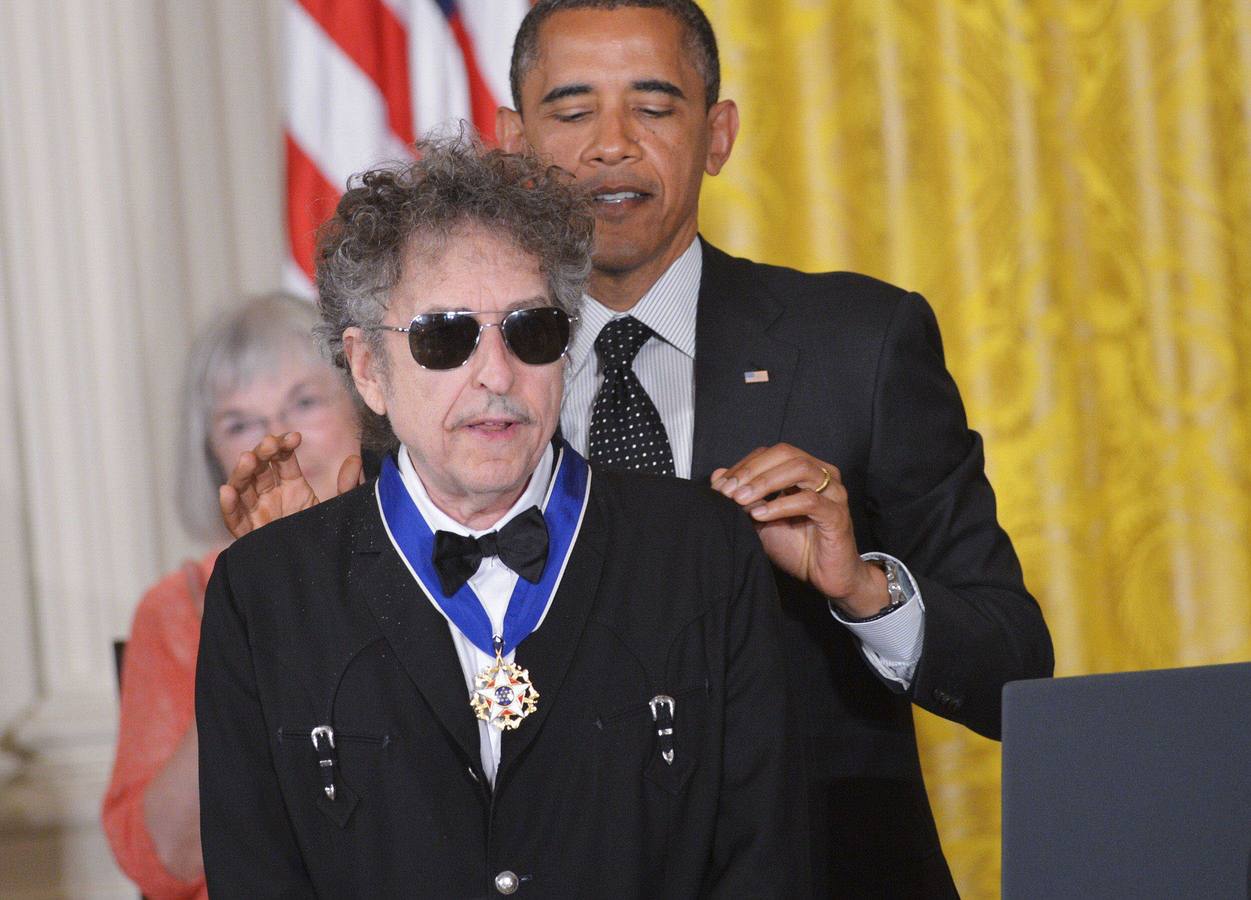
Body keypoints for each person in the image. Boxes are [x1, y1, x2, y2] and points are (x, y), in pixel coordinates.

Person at [223, 2, 1055, 894]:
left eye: (653, 108)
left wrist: (864, 591)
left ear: (718, 132)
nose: (611, 145)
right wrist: (328, 572)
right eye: (573, 111)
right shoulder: (437, 380)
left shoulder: (860, 342)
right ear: (512, 138)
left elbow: (1016, 674)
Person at [195, 139, 802, 897]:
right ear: (365, 368)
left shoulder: (699, 551)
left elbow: (762, 862)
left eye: (531, 331)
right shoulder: (266, 593)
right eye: (445, 337)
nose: (495, 373)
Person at [101, 293, 361, 899]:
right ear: (210, 456)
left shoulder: (442, 559)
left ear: (364, 402)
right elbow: (161, 861)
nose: (279, 438)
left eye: (305, 401)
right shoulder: (177, 611)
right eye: (240, 422)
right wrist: (261, 624)